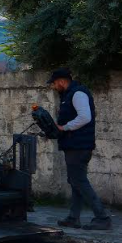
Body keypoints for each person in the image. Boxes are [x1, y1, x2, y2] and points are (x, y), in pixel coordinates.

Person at [48, 68, 110, 231]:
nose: (54, 87)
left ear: (61, 81)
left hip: (79, 146)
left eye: (54, 83)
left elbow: (85, 117)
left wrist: (65, 127)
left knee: (80, 182)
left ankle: (102, 217)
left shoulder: (77, 94)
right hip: (74, 145)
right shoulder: (69, 95)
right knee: (75, 181)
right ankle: (73, 218)